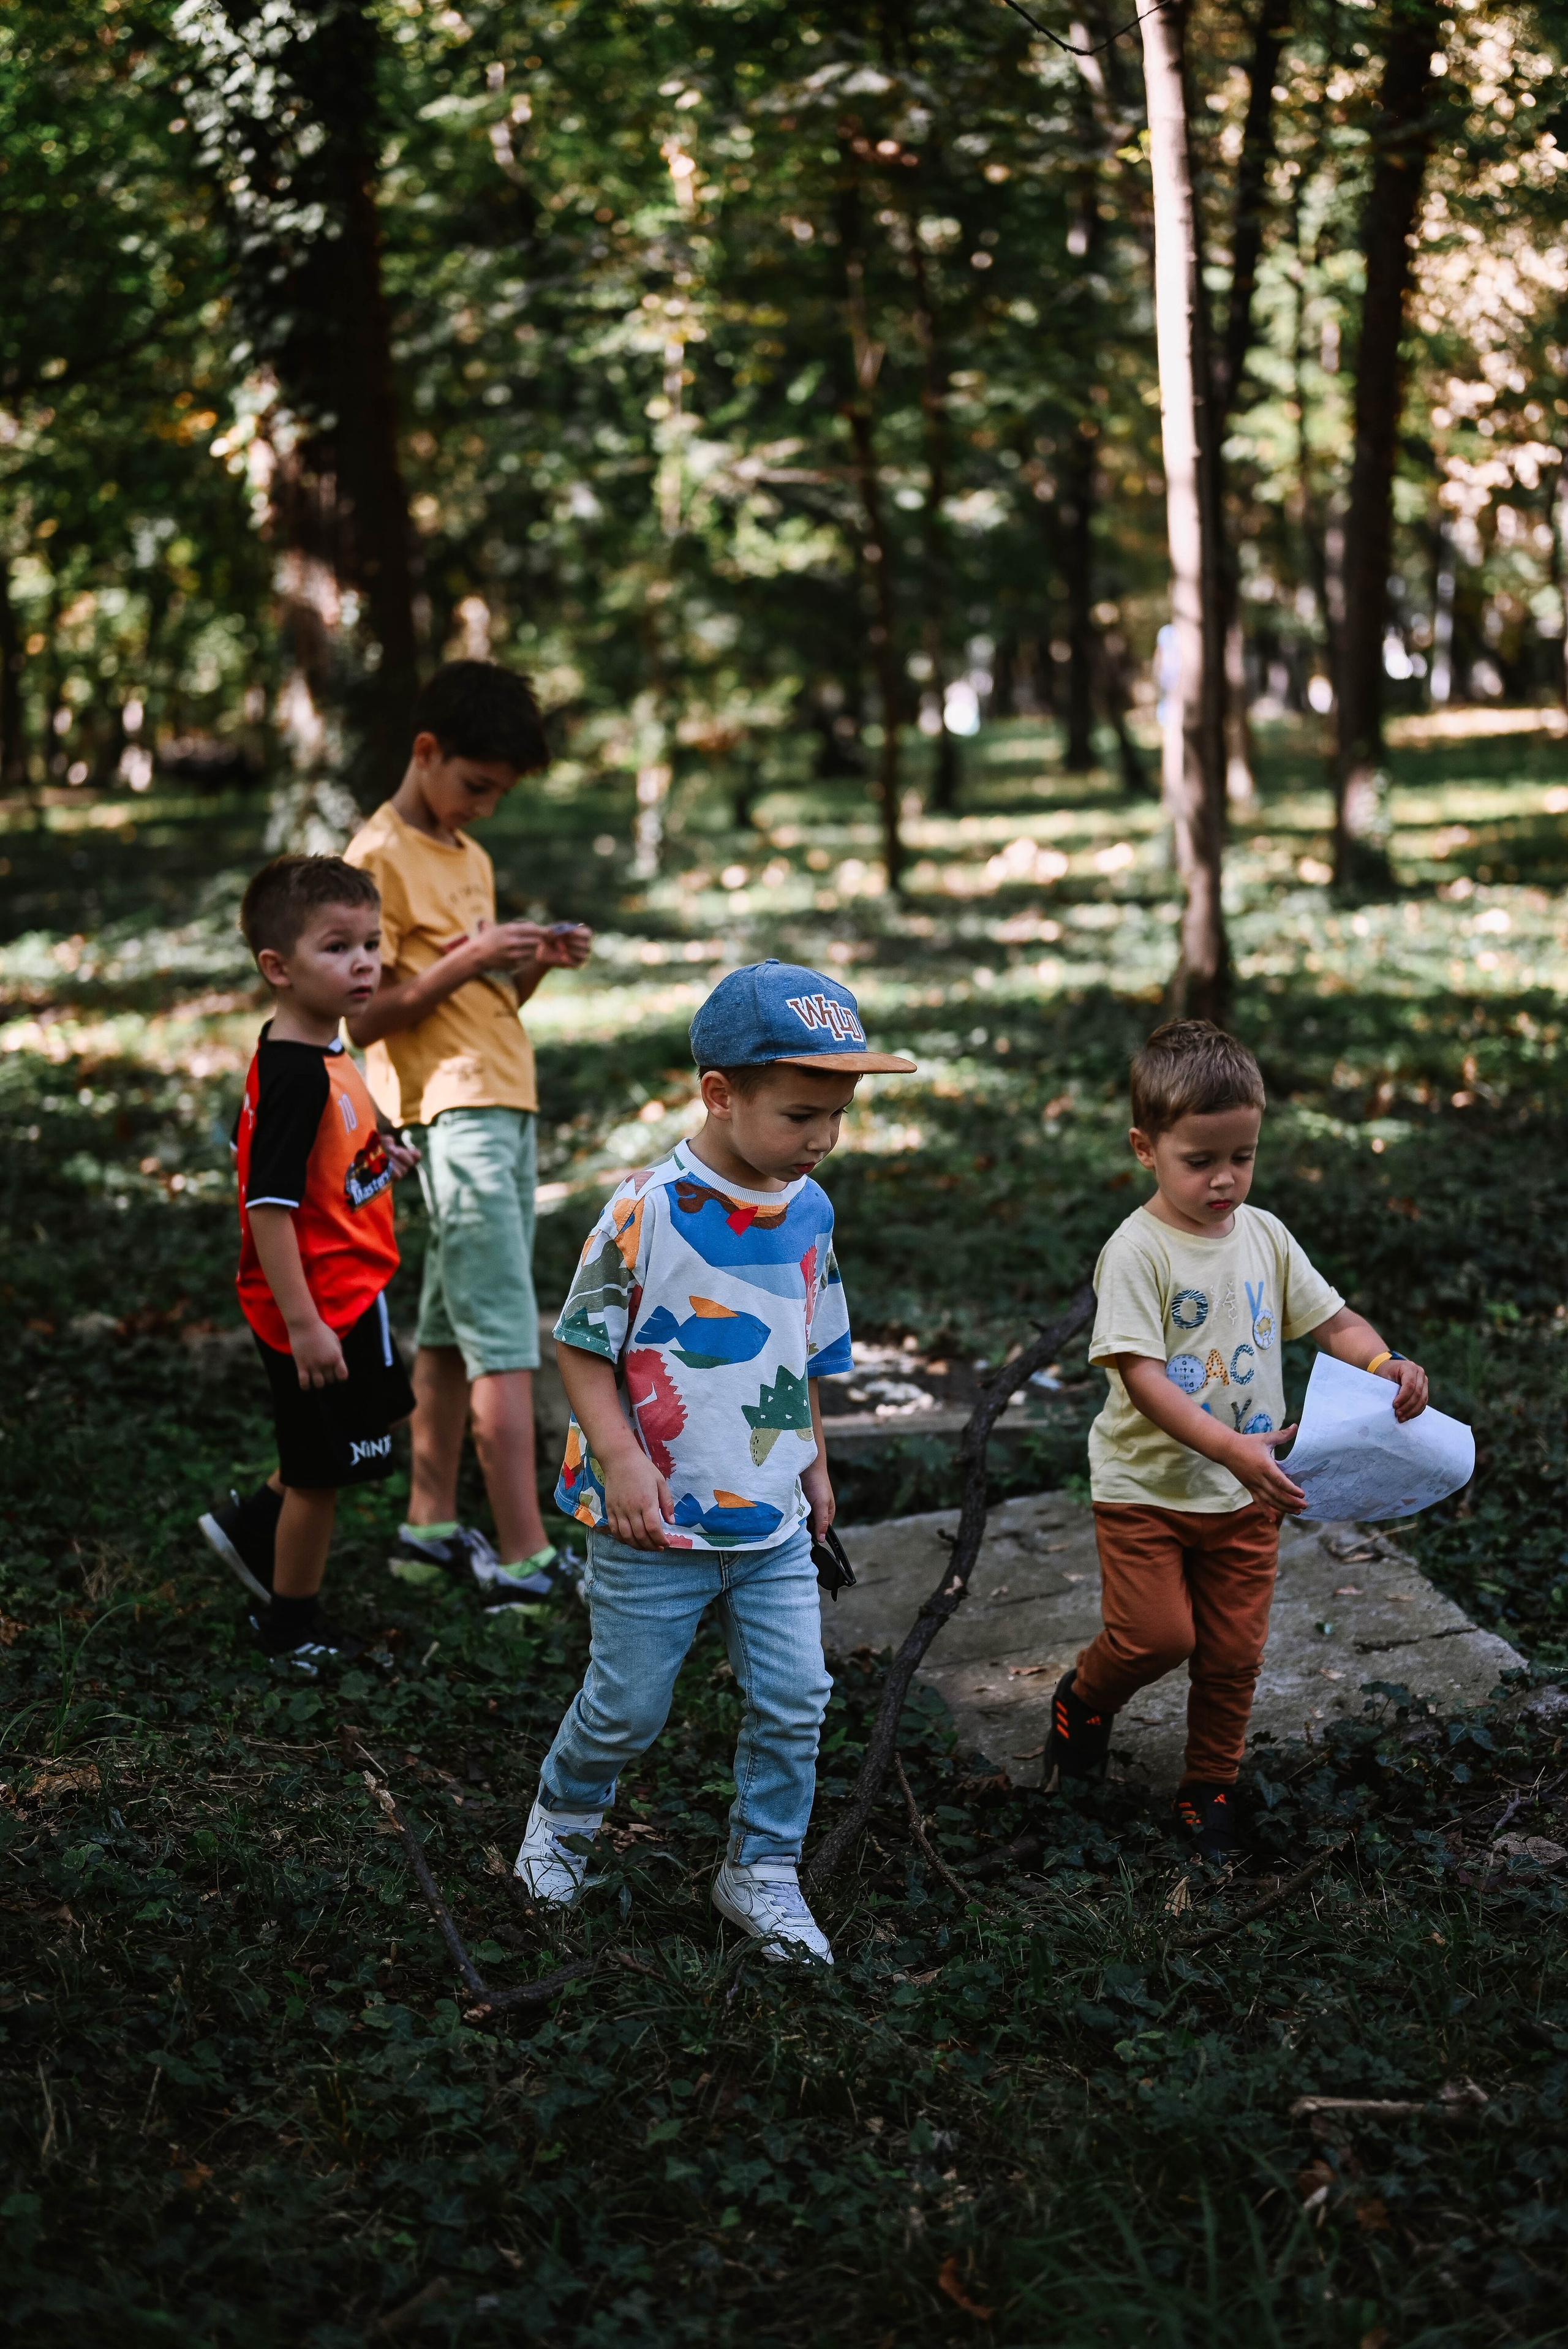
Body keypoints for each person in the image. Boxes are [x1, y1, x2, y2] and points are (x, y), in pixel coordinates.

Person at [513, 960, 916, 1963]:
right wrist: (621, 1461)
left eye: (838, 1113)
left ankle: (761, 1867)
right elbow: (579, 1343)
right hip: (654, 1524)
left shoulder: (809, 1209)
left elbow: (807, 1348)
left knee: (797, 1697)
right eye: (800, 1114)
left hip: (771, 1516)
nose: (822, 1138)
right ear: (720, 1095)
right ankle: (561, 1823)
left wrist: (816, 1464)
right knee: (628, 1706)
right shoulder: (646, 1208)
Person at [1045, 1018, 1430, 1861]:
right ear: (1146, 1148)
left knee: (1231, 1653)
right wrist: (1228, 1448)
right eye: (1201, 1161)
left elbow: (1332, 1320)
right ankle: (1083, 1697)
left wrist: (1382, 1359)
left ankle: (1208, 1786)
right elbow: (1141, 1378)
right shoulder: (1138, 1252)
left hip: (1249, 1494)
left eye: (1243, 1158)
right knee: (1158, 1638)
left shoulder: (1265, 1236)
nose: (1225, 1181)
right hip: (1147, 1490)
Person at [342, 661, 592, 1604]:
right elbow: (365, 1019)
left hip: (502, 1092)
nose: (483, 807)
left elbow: (485, 996)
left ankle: (429, 1528)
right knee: (502, 1329)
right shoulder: (376, 860)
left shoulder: (468, 856)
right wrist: (480, 955)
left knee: (449, 1330)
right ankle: (525, 1556)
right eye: (475, 785)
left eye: (499, 793)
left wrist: (532, 965)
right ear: (426, 751)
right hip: (448, 1108)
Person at [198, 855, 420, 1666]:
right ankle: (289, 1626)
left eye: (371, 942)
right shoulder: (294, 1073)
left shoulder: (316, 1046)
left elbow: (318, 1162)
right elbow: (267, 1206)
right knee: (321, 1473)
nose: (364, 962)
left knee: (377, 1418)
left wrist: (378, 1161)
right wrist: (304, 1326)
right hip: (321, 1304)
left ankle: (254, 1522)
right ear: (279, 969)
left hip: (352, 1289)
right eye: (338, 947)